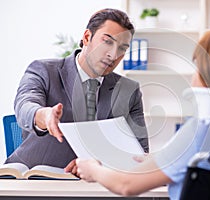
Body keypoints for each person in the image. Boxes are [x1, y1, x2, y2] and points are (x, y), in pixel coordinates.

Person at [75, 25, 210, 199]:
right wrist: (156, 159)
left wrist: (93, 169)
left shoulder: (202, 133)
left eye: (197, 69)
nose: (193, 77)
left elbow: (126, 185)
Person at [5, 8, 149, 170]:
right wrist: (45, 116)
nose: (114, 55)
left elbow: (140, 153)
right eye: (107, 42)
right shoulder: (44, 70)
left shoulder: (129, 90)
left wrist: (102, 164)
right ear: (87, 37)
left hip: (94, 185)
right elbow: (25, 105)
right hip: (35, 178)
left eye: (122, 48)